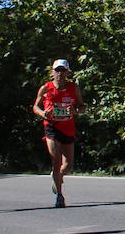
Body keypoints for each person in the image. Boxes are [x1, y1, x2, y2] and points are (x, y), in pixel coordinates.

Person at [32, 59, 86, 207]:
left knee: (68, 165)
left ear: (67, 72)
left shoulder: (73, 88)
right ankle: (60, 196)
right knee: (55, 161)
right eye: (57, 70)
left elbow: (82, 107)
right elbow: (35, 107)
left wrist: (75, 110)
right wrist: (43, 114)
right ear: (52, 72)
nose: (60, 73)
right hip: (52, 127)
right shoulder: (45, 88)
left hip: (68, 128)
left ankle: (57, 176)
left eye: (63, 71)